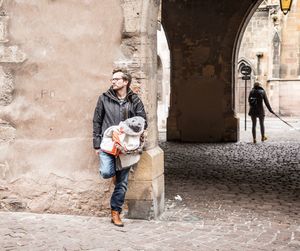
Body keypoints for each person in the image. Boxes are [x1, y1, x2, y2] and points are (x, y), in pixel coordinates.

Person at [93, 68, 147, 227]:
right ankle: (115, 173)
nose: (113, 81)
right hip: (108, 144)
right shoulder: (104, 98)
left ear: (125, 82)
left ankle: (115, 213)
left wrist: (125, 128)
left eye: (117, 79)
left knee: (122, 183)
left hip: (127, 146)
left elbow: (143, 121)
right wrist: (97, 144)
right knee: (106, 172)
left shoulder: (135, 100)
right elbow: (97, 121)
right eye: (112, 79)